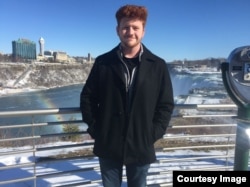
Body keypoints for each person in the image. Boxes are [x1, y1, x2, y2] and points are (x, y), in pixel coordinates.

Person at [80, 4, 174, 187]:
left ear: (143, 31)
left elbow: (166, 104)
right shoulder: (103, 62)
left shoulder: (158, 65)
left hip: (141, 143)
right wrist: (96, 129)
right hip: (108, 142)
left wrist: (153, 133)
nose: (130, 32)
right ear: (118, 30)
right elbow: (87, 98)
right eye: (125, 27)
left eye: (135, 27)